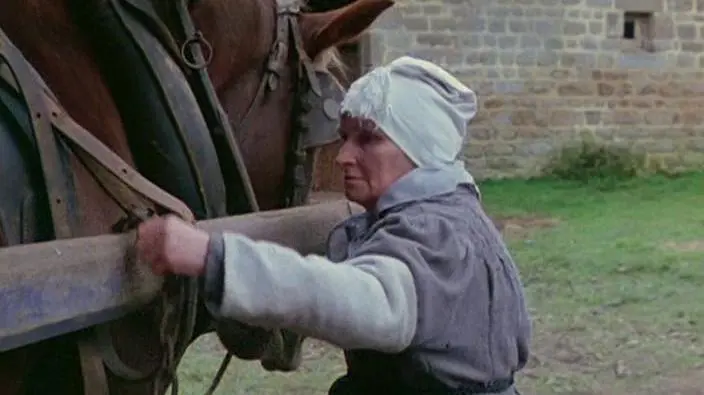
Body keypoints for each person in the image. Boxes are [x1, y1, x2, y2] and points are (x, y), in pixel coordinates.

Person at [136, 56, 532, 395]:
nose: (343, 156)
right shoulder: (448, 212)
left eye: (368, 139)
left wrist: (214, 257)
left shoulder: (437, 233)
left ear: (419, 148)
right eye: (344, 138)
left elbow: (363, 300)